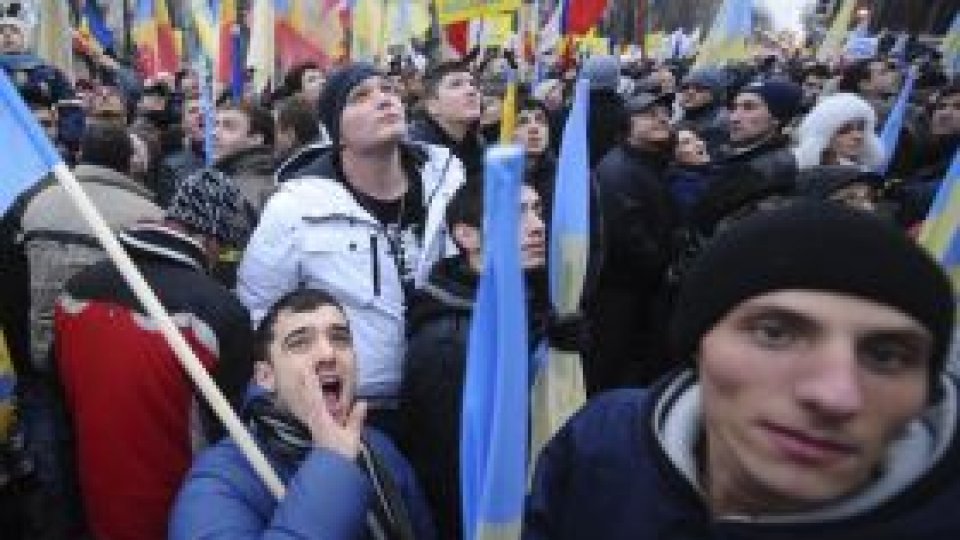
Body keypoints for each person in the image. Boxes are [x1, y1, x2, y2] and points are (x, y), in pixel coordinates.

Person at [524, 201, 958, 539]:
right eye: (774, 333)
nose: (835, 394)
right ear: (699, 345)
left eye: (887, 355)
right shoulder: (603, 441)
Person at [236, 63, 465, 439]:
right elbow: (260, 312)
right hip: (353, 411)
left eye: (389, 90)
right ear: (335, 129)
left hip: (450, 396)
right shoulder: (297, 208)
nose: (384, 100)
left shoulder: (450, 183)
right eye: (361, 96)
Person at [55, 169, 255, 540]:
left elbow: (61, 401)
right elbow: (228, 433)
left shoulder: (77, 287)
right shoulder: (220, 310)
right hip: (180, 507)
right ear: (211, 241)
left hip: (91, 495)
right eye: (227, 249)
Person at [170, 288, 435, 540]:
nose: (328, 353)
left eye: (340, 338)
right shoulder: (219, 481)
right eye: (300, 343)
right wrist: (332, 466)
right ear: (266, 376)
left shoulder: (379, 448)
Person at [401, 180, 548, 540]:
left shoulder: (536, 302)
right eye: (518, 214)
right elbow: (450, 474)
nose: (538, 226)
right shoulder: (448, 342)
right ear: (467, 236)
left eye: (538, 210)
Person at [590, 92, 678, 391]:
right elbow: (632, 245)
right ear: (626, 124)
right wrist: (668, 269)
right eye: (649, 113)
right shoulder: (618, 172)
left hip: (642, 299)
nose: (661, 118)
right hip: (625, 303)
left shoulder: (651, 162)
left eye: (664, 112)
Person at [408, 59, 485, 179]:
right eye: (456, 85)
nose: (471, 91)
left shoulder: (477, 143)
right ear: (432, 106)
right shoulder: (415, 151)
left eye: (472, 84)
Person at [719, 79, 801, 182]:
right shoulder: (733, 149)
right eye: (734, 108)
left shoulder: (763, 171)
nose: (734, 118)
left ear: (777, 117)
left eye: (749, 108)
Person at [213, 101, 277, 212]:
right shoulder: (224, 180)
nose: (215, 133)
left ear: (255, 139)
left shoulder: (251, 190)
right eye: (216, 125)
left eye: (228, 126)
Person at [794, 93, 884, 170]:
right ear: (825, 133)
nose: (858, 136)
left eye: (861, 128)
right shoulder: (804, 174)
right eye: (845, 129)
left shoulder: (865, 174)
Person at [676, 67, 730, 153]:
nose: (690, 92)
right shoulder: (686, 118)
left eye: (699, 88)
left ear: (715, 94)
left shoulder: (718, 125)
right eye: (685, 87)